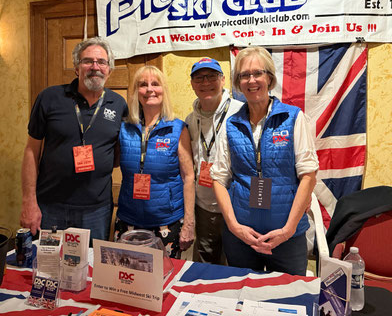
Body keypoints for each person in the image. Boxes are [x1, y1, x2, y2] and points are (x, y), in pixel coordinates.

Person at [211, 46, 319, 275]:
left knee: (289, 294)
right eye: (244, 75)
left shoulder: (293, 118)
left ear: (269, 77)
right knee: (242, 293)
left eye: (258, 73)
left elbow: (308, 175)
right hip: (241, 238)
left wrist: (287, 230)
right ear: (238, 83)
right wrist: (234, 227)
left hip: (287, 238)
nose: (251, 80)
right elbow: (219, 178)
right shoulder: (231, 125)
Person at [20, 37, 128, 241]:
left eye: (101, 62)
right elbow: (31, 151)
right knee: (48, 261)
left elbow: (118, 152)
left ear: (109, 70)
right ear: (77, 68)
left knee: (91, 261)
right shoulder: (49, 98)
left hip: (97, 210)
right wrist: (29, 202)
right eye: (87, 61)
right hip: (50, 206)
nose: (95, 67)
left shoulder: (118, 104)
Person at [114, 65, 195, 258]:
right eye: (143, 84)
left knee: (165, 274)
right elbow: (110, 162)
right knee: (126, 274)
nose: (150, 89)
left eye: (155, 84)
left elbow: (189, 177)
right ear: (136, 92)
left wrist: (189, 224)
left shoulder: (177, 128)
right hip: (128, 220)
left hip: (166, 222)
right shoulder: (124, 128)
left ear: (163, 90)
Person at [185, 57, 243, 264]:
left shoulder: (241, 112)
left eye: (211, 76)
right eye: (199, 78)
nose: (205, 82)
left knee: (236, 264)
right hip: (203, 207)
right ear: (192, 84)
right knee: (205, 263)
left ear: (223, 79)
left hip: (236, 206)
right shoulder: (190, 120)